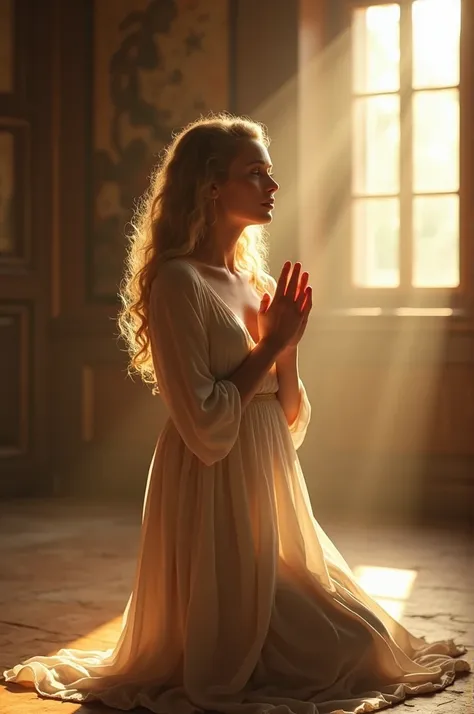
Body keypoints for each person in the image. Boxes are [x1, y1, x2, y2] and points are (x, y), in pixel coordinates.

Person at [3, 112, 470, 713]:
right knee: (322, 654)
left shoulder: (253, 280)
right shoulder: (176, 283)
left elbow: (290, 420)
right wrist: (270, 347)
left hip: (265, 483)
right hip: (210, 488)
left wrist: (288, 350)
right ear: (211, 185)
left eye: (270, 174)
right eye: (256, 174)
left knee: (365, 639)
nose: (272, 187)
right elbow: (204, 428)